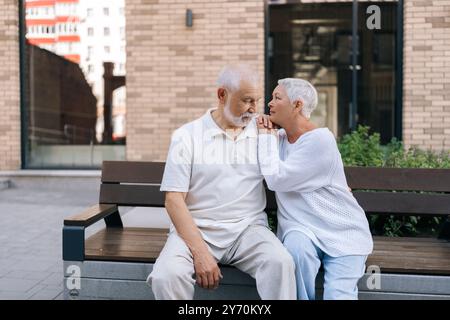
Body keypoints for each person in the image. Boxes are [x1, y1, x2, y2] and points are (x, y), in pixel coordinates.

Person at [147, 65, 296, 300]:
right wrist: (200, 252)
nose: (254, 109)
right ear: (221, 95)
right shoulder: (187, 137)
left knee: (281, 262)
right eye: (247, 100)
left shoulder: (265, 132)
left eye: (257, 100)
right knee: (166, 276)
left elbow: (306, 145)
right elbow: (173, 200)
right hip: (196, 231)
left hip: (247, 230)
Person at [257, 78, 373, 300]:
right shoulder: (277, 138)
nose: (269, 103)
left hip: (342, 232)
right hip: (302, 229)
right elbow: (242, 133)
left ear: (297, 105)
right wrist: (258, 126)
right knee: (295, 249)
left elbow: (277, 179)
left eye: (277, 98)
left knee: (337, 295)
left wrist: (264, 137)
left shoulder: (320, 141)